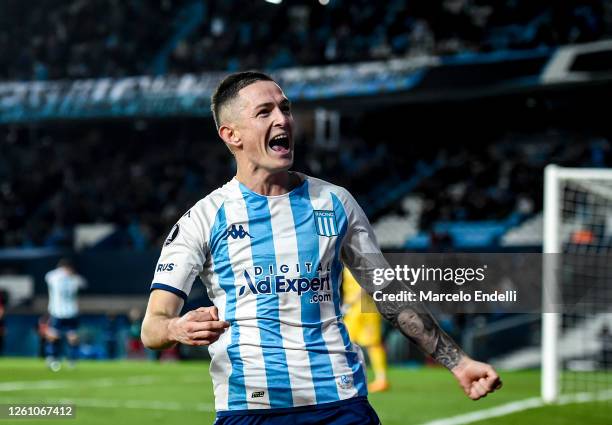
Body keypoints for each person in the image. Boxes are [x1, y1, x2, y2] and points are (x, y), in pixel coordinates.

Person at [142, 71, 502, 424]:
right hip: (250, 408)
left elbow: (389, 294)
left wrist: (458, 361)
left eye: (286, 108)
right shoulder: (203, 219)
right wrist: (176, 329)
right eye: (264, 112)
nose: (283, 119)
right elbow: (152, 327)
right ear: (231, 134)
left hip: (340, 404)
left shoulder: (335, 202)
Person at [342, 268, 389, 393]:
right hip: (352, 310)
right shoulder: (346, 262)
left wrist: (351, 302)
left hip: (365, 308)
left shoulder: (362, 260)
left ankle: (382, 379)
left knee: (373, 344)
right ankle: (350, 378)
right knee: (346, 343)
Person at [45, 258, 86, 371]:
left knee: (53, 335)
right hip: (71, 311)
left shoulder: (53, 276)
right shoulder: (74, 278)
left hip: (57, 311)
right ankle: (72, 360)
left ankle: (52, 358)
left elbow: (48, 277)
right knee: (72, 336)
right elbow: (83, 283)